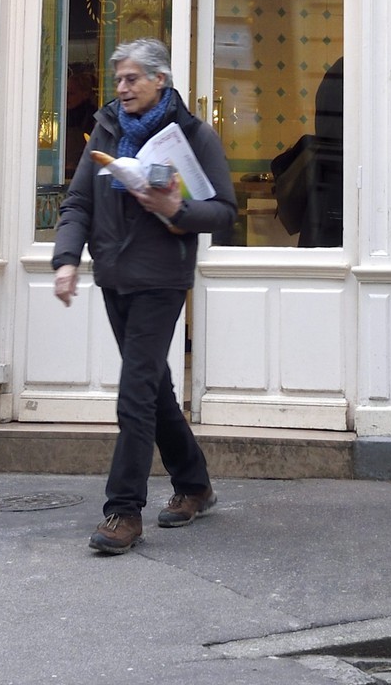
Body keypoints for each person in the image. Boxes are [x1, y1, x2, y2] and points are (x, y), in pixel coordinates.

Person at [52, 37, 236, 555]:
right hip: (114, 276)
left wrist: (176, 209)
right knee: (154, 388)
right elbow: (79, 201)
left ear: (160, 79)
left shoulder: (194, 135)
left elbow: (224, 212)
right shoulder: (106, 129)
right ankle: (194, 485)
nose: (122, 87)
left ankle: (123, 511)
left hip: (161, 278)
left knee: (134, 394)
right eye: (118, 79)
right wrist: (66, 259)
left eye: (132, 78)